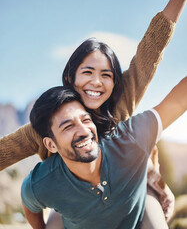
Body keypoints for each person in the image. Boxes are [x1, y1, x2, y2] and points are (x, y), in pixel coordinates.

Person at [0, 0, 187, 227]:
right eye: (87, 72)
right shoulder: (47, 123)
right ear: (70, 76)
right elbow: (3, 152)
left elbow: (152, 47)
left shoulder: (123, 98)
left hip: (133, 187)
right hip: (74, 201)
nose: (96, 82)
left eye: (106, 75)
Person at [21, 77, 187, 229]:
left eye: (86, 120)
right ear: (51, 145)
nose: (84, 131)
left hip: (137, 215)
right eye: (68, 126)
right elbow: (29, 203)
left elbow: (178, 101)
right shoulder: (42, 182)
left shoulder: (128, 139)